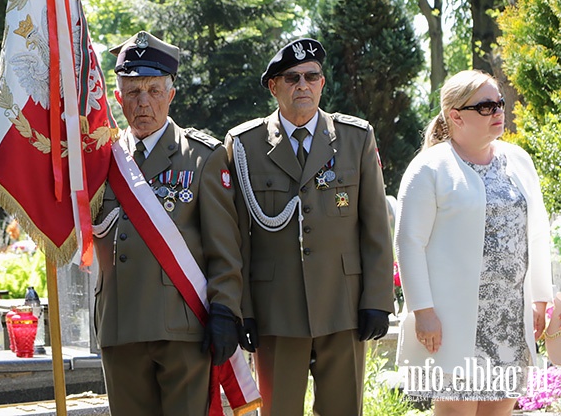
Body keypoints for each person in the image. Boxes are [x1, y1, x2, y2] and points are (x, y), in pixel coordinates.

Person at [225, 37, 394, 416]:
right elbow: (238, 239)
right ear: (274, 86)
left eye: (311, 76)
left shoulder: (355, 138)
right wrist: (244, 310)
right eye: (292, 78)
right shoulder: (244, 144)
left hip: (343, 305)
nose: (302, 85)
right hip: (276, 310)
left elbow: (375, 227)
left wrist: (377, 300)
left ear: (321, 83)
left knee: (343, 410)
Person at [92, 31, 244, 416]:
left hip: (181, 328)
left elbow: (224, 249)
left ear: (171, 95)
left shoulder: (202, 158)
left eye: (154, 90)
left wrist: (226, 310)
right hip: (119, 325)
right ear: (117, 97)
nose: (144, 103)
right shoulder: (99, 161)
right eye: (133, 91)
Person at [395, 70, 552, 414]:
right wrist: (423, 312)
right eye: (485, 106)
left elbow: (538, 232)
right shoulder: (429, 168)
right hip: (452, 322)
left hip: (509, 317)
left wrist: (541, 297)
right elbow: (409, 242)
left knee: (500, 410)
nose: (498, 111)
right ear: (455, 116)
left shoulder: (519, 160)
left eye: (499, 103)